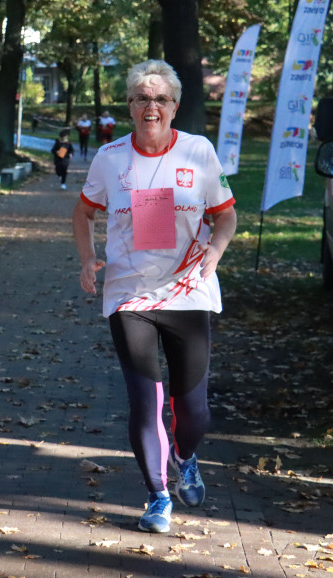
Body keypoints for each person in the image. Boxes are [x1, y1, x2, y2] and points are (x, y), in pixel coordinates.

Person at [72, 60, 237, 534]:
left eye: (161, 99)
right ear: (129, 106)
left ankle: (185, 455)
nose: (152, 107)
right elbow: (82, 213)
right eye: (142, 98)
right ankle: (158, 495)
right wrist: (87, 259)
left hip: (190, 291)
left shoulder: (199, 152)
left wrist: (216, 251)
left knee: (195, 412)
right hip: (130, 295)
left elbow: (225, 216)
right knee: (146, 402)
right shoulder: (109, 158)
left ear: (175, 107)